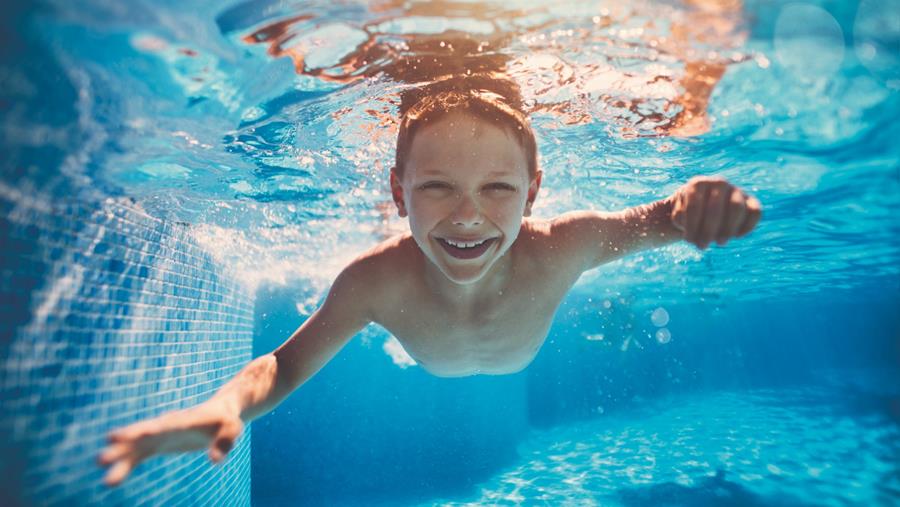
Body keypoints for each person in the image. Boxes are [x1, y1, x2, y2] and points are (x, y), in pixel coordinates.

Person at [97, 73, 760, 487]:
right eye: (436, 186)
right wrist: (228, 404)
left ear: (534, 191)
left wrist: (698, 208)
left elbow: (658, 218)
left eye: (497, 188)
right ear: (397, 191)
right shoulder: (374, 281)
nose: (467, 215)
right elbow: (282, 363)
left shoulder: (562, 247)